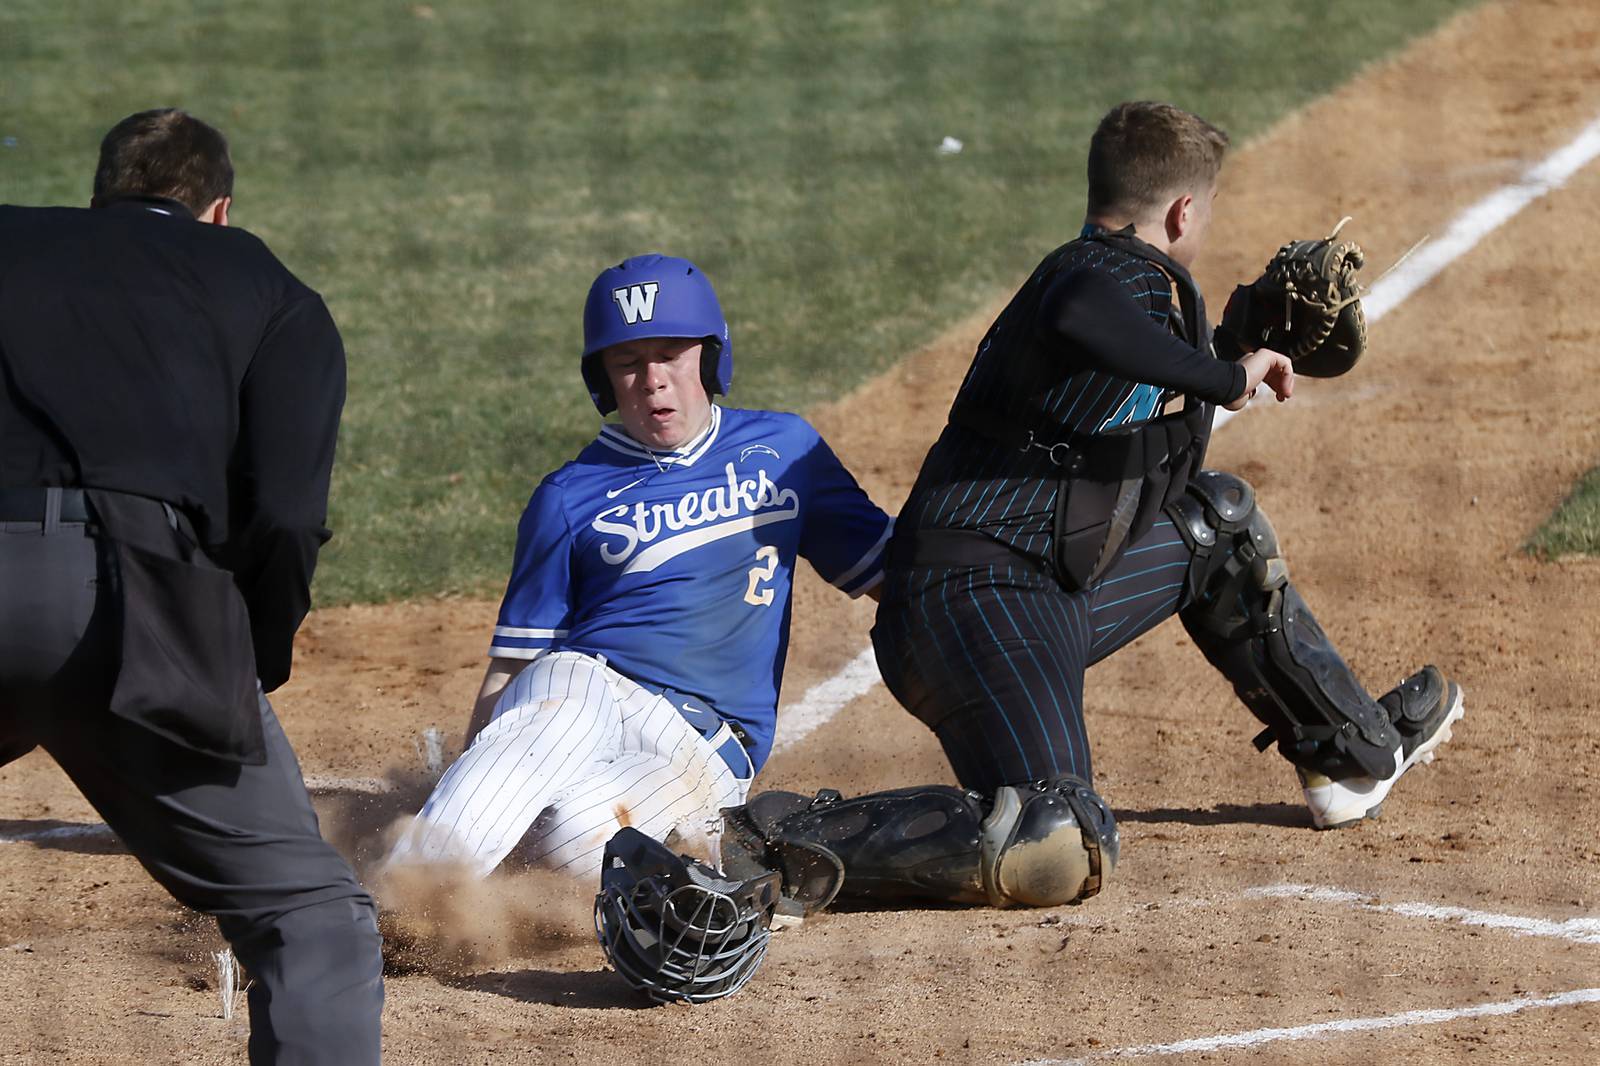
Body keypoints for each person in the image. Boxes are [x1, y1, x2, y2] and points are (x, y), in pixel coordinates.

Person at [720, 101, 1464, 913]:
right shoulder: (1101, 273)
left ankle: (1351, 756)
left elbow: (1133, 434)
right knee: (1065, 837)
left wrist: (1227, 345)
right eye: (1207, 211)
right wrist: (1222, 378)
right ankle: (785, 842)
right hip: (976, 607)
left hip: (1035, 597)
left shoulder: (1137, 303)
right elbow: (1085, 312)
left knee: (1216, 523)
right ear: (1183, 210)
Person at [0, 110, 382, 1063]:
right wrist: (247, 664)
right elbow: (286, 516)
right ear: (219, 210)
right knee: (311, 917)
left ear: (97, 197)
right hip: (130, 605)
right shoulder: (269, 286)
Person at [384, 253, 892, 881]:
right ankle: (396, 904)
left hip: (701, 748)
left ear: (710, 358)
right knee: (553, 716)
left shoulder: (787, 452)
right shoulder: (567, 495)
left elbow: (891, 575)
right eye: (627, 362)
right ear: (602, 379)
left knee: (573, 845)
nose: (653, 380)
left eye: (671, 355)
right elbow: (515, 665)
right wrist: (473, 763)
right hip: (586, 687)